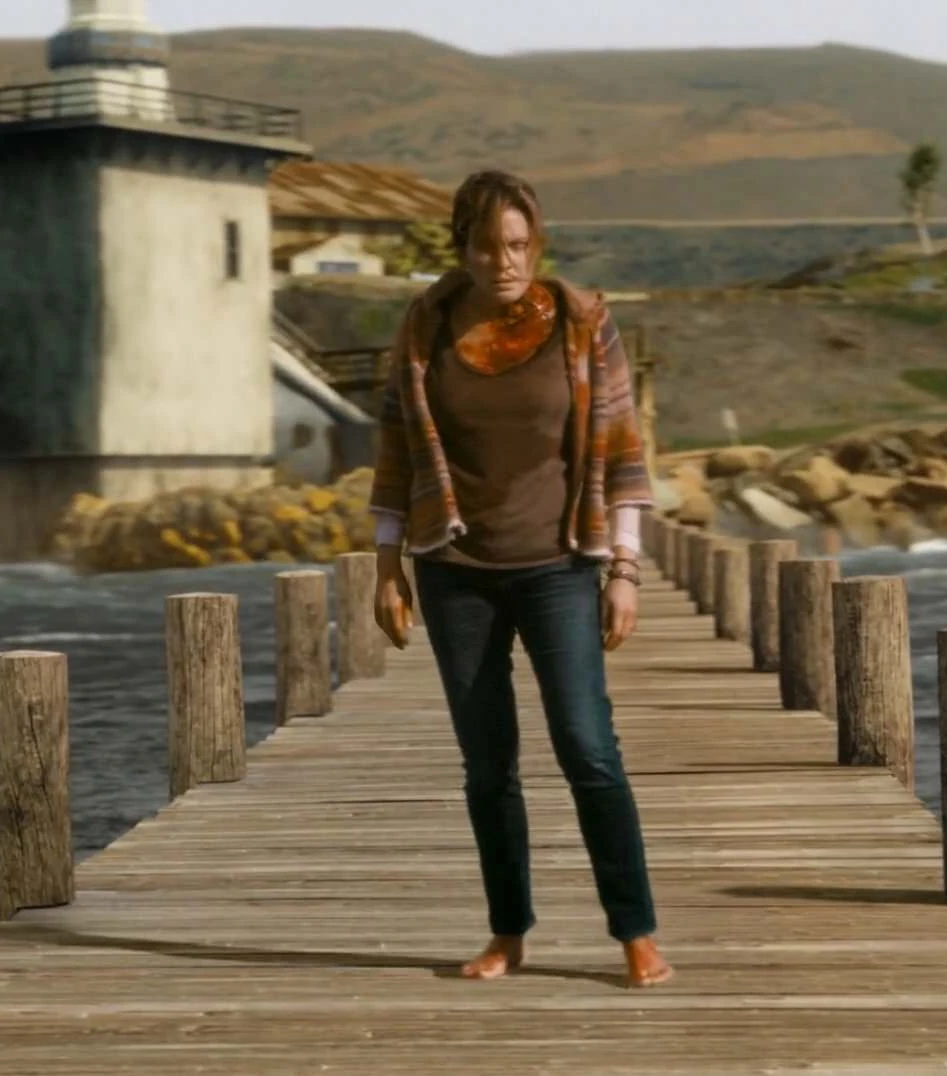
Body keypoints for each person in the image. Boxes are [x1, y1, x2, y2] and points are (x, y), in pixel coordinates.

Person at [366, 169, 673, 989]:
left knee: (587, 745)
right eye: (485, 246)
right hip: (453, 570)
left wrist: (624, 569)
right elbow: (396, 450)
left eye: (517, 245)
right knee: (487, 764)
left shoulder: (582, 322)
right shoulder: (425, 326)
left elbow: (621, 447)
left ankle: (635, 931)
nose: (503, 262)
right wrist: (388, 564)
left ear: (535, 245)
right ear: (460, 247)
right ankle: (508, 932)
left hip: (558, 566)